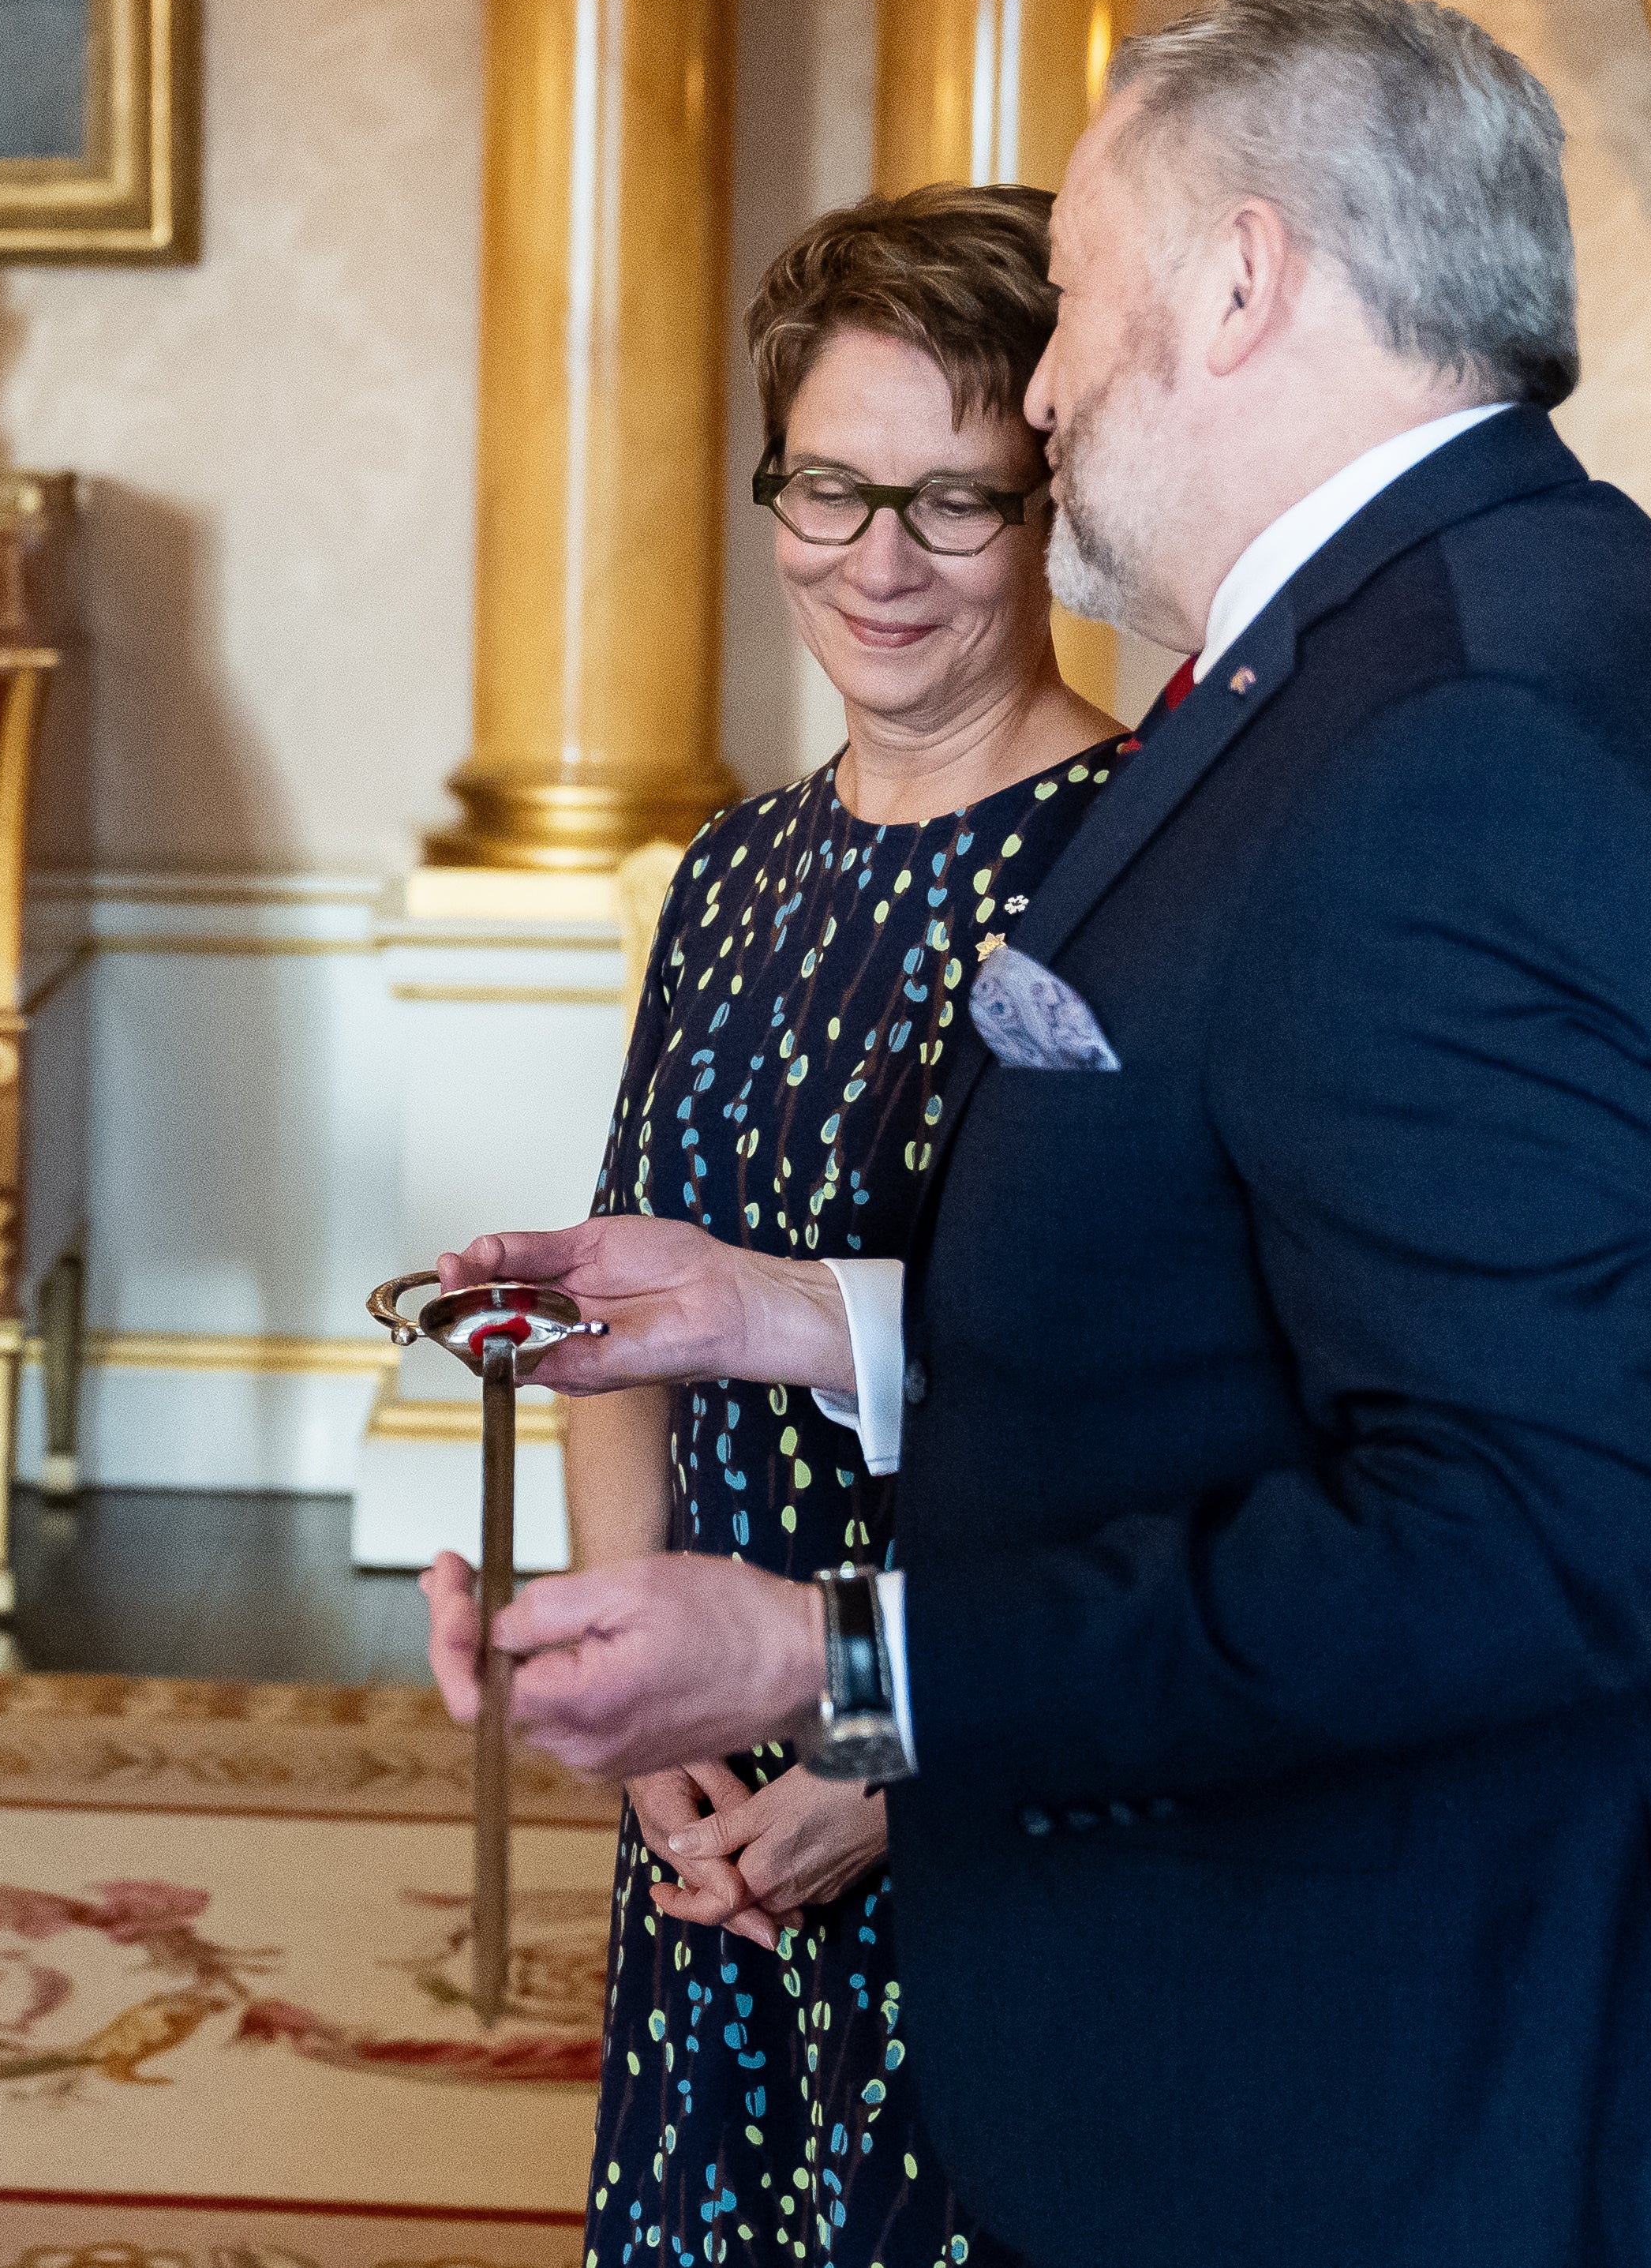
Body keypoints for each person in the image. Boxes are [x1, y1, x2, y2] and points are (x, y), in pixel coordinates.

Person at [421, 0, 1651, 2266]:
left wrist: (835, 1662)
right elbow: (1236, 1306)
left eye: (1079, 300)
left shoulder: (1454, 730)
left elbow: (1508, 1533)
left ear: (1238, 278)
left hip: (1378, 2071)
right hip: (1327, 2020)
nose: (1060, 376)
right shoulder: (1458, 641)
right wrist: (775, 1316)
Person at [451, 183, 1119, 2268]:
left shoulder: (1133, 864)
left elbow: (1136, 1383)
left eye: (954, 500)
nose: (878, 562)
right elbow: (615, 1308)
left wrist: (894, 1744)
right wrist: (641, 1690)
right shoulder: (733, 869)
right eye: (827, 488)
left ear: (1059, 504)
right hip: (717, 1769)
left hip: (998, 1744)